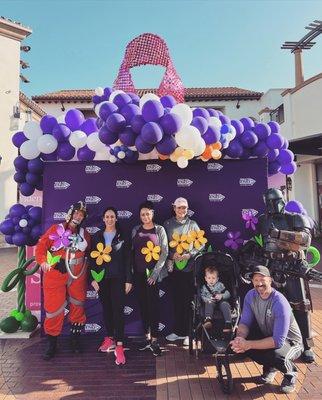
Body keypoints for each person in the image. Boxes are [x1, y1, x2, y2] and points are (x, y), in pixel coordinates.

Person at [257, 188, 314, 363]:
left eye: (274, 202)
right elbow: (263, 243)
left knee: (300, 307)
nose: (272, 206)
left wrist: (280, 234)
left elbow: (306, 239)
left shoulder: (295, 218)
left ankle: (307, 345)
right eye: (268, 203)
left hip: (292, 267)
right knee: (273, 308)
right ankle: (278, 343)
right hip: (272, 267)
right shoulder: (263, 220)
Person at [230, 265, 303, 394]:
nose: (259, 283)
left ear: (270, 280)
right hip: (269, 336)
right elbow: (245, 322)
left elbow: (277, 341)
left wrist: (248, 344)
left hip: (291, 342)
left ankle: (290, 374)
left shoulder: (279, 302)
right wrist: (240, 338)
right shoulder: (250, 295)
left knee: (277, 355)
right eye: (256, 280)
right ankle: (270, 368)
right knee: (241, 342)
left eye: (262, 279)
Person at [35, 201, 90, 361]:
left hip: (76, 274)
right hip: (55, 275)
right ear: (71, 213)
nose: (78, 216)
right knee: (53, 308)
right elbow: (41, 248)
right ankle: (52, 343)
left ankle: (75, 339)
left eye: (81, 215)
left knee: (78, 304)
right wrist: (43, 261)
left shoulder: (84, 234)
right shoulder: (55, 230)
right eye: (77, 213)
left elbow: (90, 249)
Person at [89, 206, 132, 365]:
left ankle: (119, 345)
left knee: (118, 311)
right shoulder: (97, 236)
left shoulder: (122, 236)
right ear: (103, 219)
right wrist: (92, 279)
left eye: (112, 216)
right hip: (102, 280)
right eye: (107, 217)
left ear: (116, 218)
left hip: (118, 279)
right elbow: (91, 259)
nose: (109, 219)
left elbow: (128, 259)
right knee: (107, 309)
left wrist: (129, 279)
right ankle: (110, 339)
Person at [164, 197, 206, 346]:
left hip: (189, 270)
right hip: (174, 270)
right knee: (176, 301)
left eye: (184, 208)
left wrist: (190, 254)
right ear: (174, 208)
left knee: (189, 302)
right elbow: (163, 246)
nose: (182, 210)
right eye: (179, 207)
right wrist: (171, 255)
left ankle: (190, 333)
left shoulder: (193, 224)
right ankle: (178, 331)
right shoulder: (168, 224)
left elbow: (201, 246)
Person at [131, 201, 168, 356]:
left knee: (153, 307)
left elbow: (164, 252)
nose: (145, 216)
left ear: (152, 214)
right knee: (143, 305)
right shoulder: (135, 230)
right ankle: (146, 337)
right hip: (138, 275)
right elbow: (132, 252)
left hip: (153, 277)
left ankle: (154, 340)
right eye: (142, 214)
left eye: (148, 213)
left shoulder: (159, 229)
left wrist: (154, 274)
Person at [201, 266, 232, 336]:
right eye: (209, 278)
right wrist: (207, 299)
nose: (211, 280)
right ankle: (208, 319)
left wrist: (222, 296)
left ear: (217, 279)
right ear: (205, 278)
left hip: (221, 301)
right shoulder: (204, 287)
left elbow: (228, 293)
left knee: (225, 304)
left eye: (213, 278)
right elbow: (202, 296)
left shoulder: (220, 285)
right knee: (209, 303)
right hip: (210, 302)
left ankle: (228, 323)